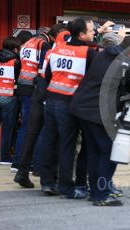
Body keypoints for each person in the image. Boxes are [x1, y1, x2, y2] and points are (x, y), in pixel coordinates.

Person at [70, 35, 130, 206]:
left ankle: (96, 192)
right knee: (109, 153)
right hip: (98, 112)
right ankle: (101, 195)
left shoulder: (103, 54)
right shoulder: (125, 63)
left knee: (94, 152)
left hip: (82, 108)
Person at [39, 17, 113, 198]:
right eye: (91, 31)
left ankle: (47, 182)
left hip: (51, 99)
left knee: (50, 142)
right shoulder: (86, 53)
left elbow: (47, 75)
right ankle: (66, 187)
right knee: (67, 146)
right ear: (81, 35)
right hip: (68, 103)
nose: (94, 33)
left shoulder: (57, 48)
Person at [14, 23, 66, 188]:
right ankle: (44, 172)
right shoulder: (51, 49)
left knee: (30, 132)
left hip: (32, 90)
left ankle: (22, 171)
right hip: (47, 94)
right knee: (49, 135)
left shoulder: (29, 44)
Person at [11, 27, 54, 172]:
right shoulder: (43, 45)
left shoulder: (26, 44)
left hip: (22, 87)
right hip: (33, 89)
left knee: (25, 126)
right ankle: (34, 163)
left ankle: (18, 161)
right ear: (49, 36)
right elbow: (44, 69)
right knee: (36, 127)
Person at [0, 37, 21, 164]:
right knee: (7, 129)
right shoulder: (15, 61)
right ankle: (5, 157)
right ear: (15, 48)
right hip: (9, 98)